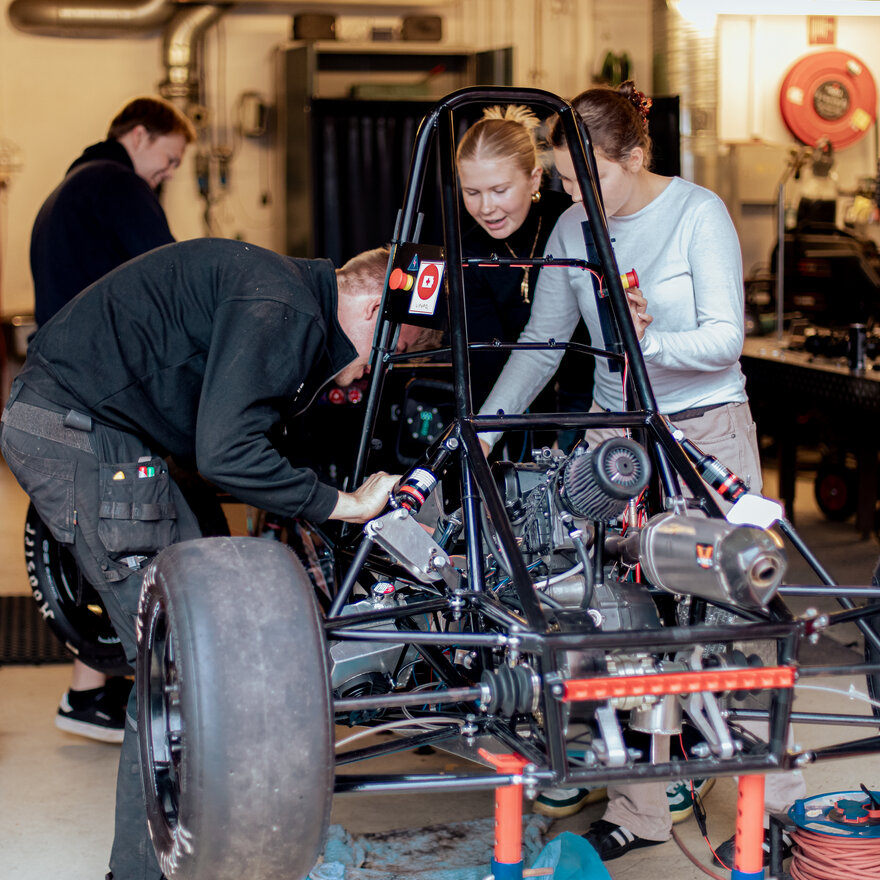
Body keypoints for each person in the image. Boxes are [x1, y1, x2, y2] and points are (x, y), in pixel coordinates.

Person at [1, 237, 419, 880]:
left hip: (93, 424)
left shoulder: (284, 293)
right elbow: (225, 454)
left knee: (199, 627)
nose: (375, 372)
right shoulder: (286, 307)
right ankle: (137, 873)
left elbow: (225, 431)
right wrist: (343, 503)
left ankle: (208, 839)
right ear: (370, 309)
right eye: (394, 350)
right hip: (75, 430)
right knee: (184, 662)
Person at [476, 82, 804, 861]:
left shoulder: (696, 213)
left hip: (703, 436)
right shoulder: (572, 226)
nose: (580, 195)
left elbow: (725, 340)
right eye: (565, 181)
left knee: (733, 620)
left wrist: (645, 346)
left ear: (635, 155)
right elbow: (544, 341)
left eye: (595, 178)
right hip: (616, 445)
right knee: (624, 622)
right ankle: (642, 810)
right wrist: (487, 429)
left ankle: (778, 812)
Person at [28, 95, 197, 742]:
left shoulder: (69, 190)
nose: (168, 172)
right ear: (138, 134)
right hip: (106, 387)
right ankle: (164, 691)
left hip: (67, 384)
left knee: (98, 534)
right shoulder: (115, 184)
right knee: (136, 531)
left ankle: (87, 692)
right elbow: (177, 275)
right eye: (168, 158)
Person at [456, 105, 592, 454]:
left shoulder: (571, 218)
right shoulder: (468, 250)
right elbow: (486, 364)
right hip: (516, 405)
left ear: (534, 178)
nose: (486, 207)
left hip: (594, 393)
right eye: (472, 193)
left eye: (499, 190)